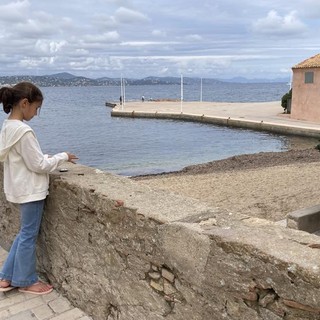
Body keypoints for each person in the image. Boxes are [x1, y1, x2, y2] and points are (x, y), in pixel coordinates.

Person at [0, 82, 78, 295]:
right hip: (31, 190)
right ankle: (26, 281)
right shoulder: (24, 131)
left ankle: (6, 276)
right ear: (24, 103)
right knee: (28, 235)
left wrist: (44, 157)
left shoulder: (8, 126)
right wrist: (62, 156)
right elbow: (38, 165)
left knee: (23, 232)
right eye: (36, 108)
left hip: (18, 188)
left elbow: (24, 159)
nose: (36, 113)